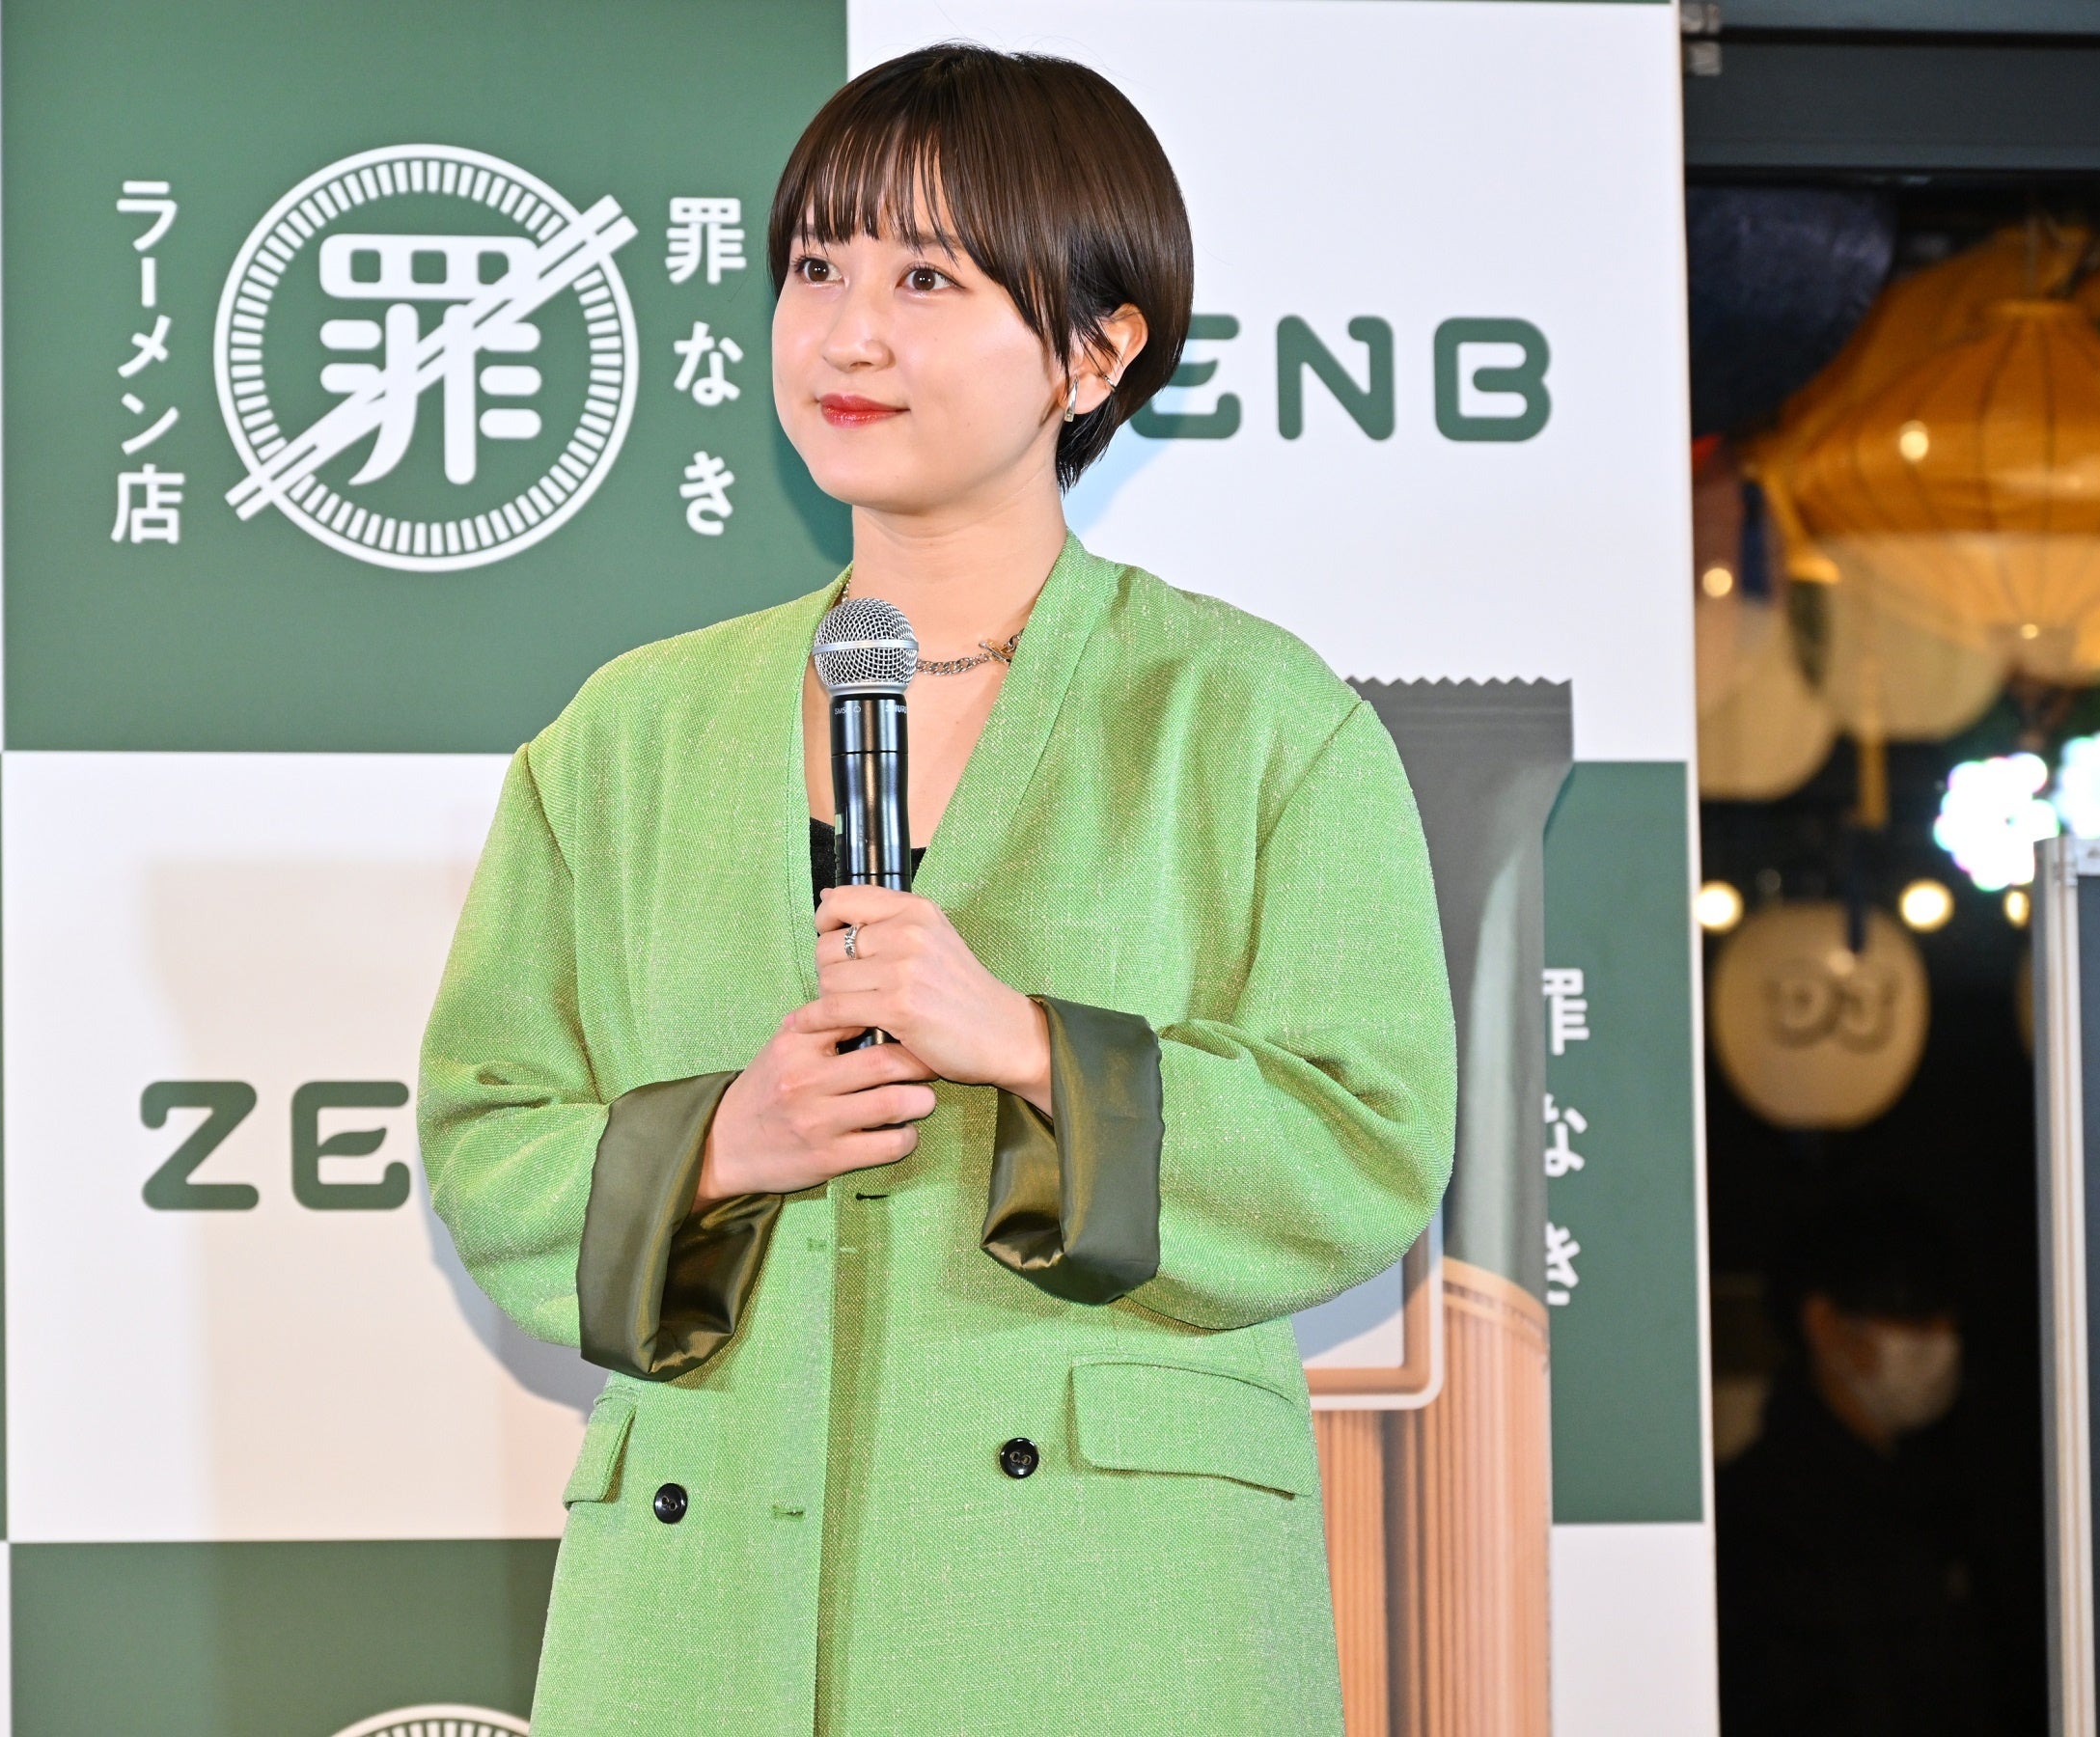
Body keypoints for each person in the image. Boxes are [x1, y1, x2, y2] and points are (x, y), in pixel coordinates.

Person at [419, 43, 1455, 1735]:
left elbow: (1368, 1144)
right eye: (815, 267)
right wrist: (719, 1144)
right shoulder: (627, 733)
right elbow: (485, 1132)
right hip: (707, 1598)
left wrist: (1034, 1047)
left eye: (925, 279)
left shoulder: (1254, 718)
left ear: (1096, 351)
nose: (846, 334)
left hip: (1107, 1621)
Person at [1717, 1190, 1985, 1737]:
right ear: (1825, 1324)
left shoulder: (1942, 1492)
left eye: (1950, 1321)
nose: (1942, 1343)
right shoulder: (1760, 1518)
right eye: (1915, 1317)